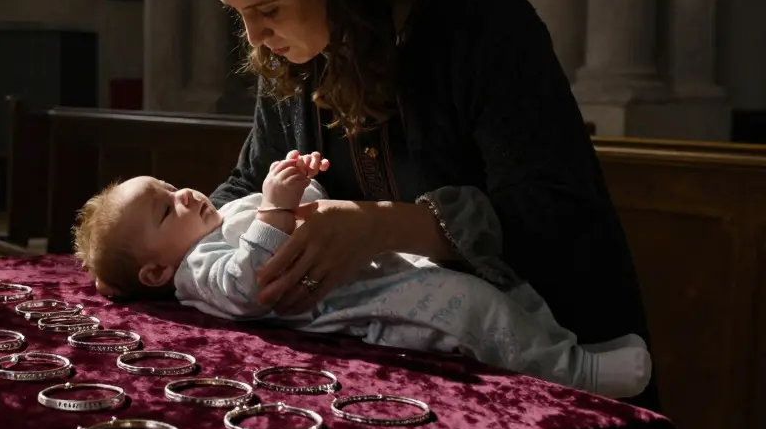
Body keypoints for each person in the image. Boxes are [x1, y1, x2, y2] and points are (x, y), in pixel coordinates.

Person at [96, 0, 660, 410]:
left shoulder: (481, 25)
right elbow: (249, 182)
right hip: (405, 363)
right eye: (238, 14)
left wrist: (382, 226)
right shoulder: (294, 54)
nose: (255, 35)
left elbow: (553, 212)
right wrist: (162, 260)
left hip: (550, 356)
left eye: (267, 9)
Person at [72, 151, 652, 399]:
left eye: (171, 187)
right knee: (475, 308)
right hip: (376, 308)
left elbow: (306, 216)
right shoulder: (197, 271)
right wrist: (274, 206)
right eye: (165, 209)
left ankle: (565, 348)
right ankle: (576, 374)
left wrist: (304, 185)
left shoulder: (219, 222)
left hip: (382, 270)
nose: (185, 195)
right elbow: (252, 285)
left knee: (496, 287)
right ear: (155, 271)